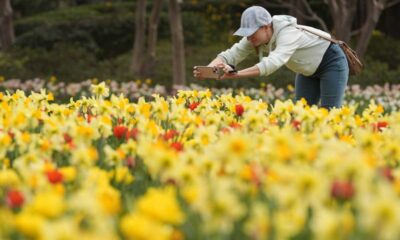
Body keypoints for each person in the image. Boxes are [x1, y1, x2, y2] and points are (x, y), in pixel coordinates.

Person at [193, 6, 349, 109]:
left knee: (330, 113)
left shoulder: (288, 33)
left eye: (252, 32)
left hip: (331, 62)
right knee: (301, 115)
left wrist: (236, 74)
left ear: (266, 27)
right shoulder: (254, 38)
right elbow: (230, 55)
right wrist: (209, 70)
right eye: (246, 33)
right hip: (307, 70)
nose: (249, 38)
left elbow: (272, 63)